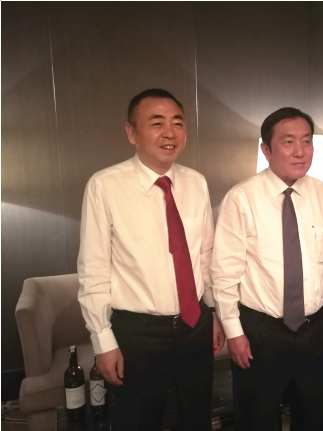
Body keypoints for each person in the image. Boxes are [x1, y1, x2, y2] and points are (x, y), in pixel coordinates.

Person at [78, 88, 225, 431]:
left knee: (197, 419)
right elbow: (93, 270)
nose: (170, 133)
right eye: (157, 123)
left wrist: (213, 311)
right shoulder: (105, 186)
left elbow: (204, 256)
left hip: (194, 326)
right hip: (137, 334)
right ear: (132, 133)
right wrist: (102, 340)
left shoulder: (196, 182)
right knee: (138, 421)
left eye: (178, 123)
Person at [211, 107, 323, 431]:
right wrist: (234, 333)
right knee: (257, 420)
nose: (300, 151)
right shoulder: (241, 198)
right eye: (288, 142)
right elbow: (224, 273)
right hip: (261, 334)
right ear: (266, 149)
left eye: (306, 141)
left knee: (315, 419)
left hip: (316, 331)